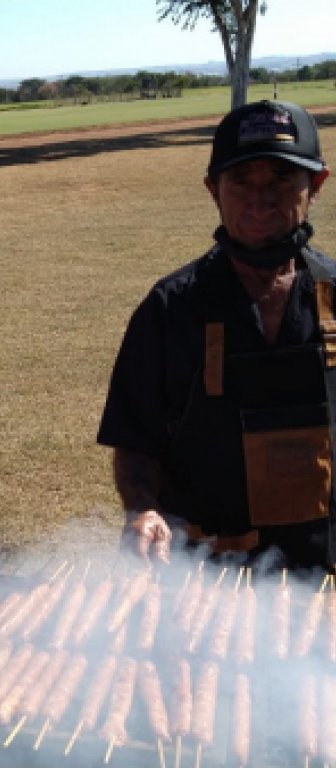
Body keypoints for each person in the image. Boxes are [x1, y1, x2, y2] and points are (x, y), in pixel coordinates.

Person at [97, 99, 333, 570]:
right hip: (204, 574)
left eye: (281, 180)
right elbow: (135, 439)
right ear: (213, 189)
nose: (260, 199)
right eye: (241, 181)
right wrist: (142, 507)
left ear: (317, 184)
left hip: (324, 575)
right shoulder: (171, 307)